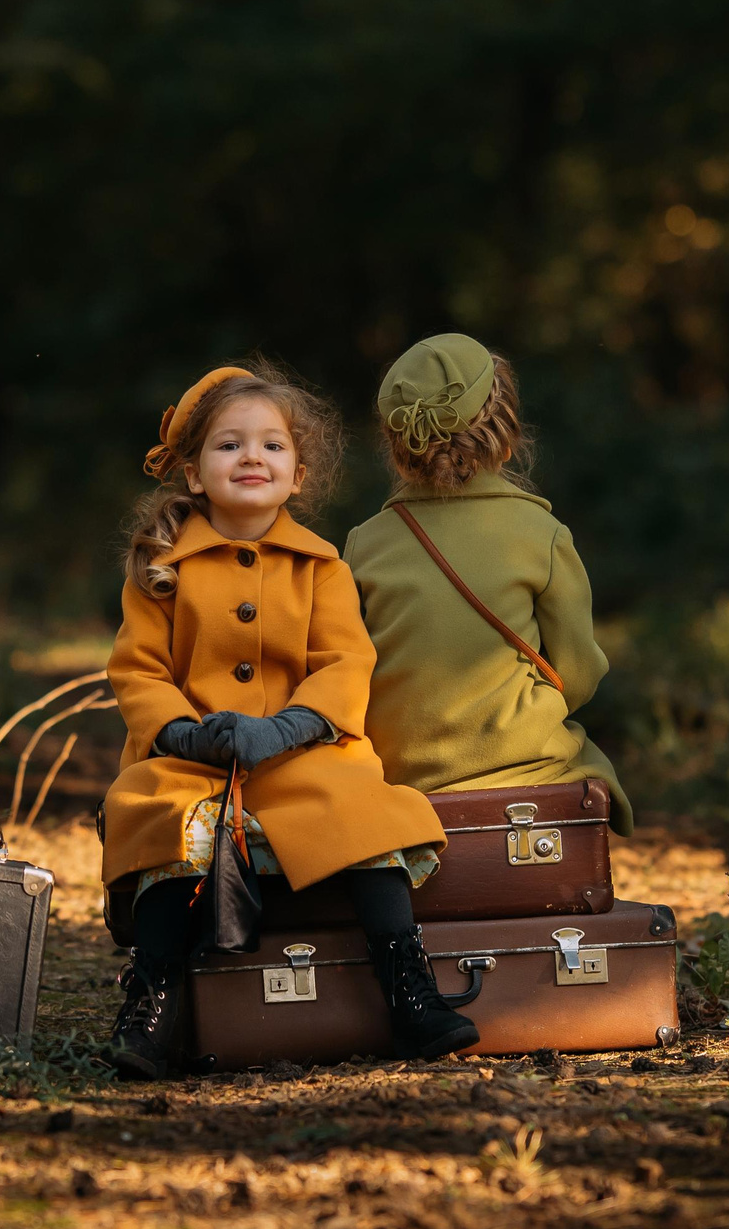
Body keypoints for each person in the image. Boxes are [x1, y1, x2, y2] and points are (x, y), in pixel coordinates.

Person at [100, 360, 478, 1080]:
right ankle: (153, 1003)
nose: (251, 457)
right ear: (192, 473)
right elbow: (138, 670)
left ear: (298, 475)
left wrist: (291, 726)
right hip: (194, 757)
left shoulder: (322, 566)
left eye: (271, 445)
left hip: (301, 750)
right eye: (228, 444)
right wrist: (180, 732)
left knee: (365, 808)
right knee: (160, 812)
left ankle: (409, 991)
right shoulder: (159, 569)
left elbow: (345, 661)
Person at [343, 334, 635, 836]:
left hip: (402, 778)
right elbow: (579, 674)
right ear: (503, 424)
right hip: (526, 767)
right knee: (580, 753)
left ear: (397, 440)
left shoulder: (363, 545)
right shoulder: (539, 533)